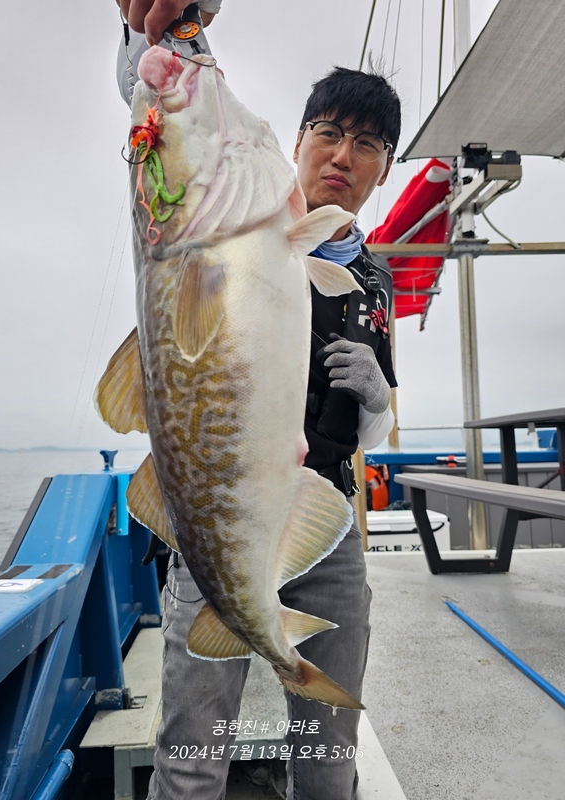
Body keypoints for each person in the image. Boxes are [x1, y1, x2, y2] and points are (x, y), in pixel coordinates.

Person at [145, 66, 401, 800]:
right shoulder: (241, 227)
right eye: (328, 133)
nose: (342, 156)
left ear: (384, 167)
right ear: (297, 141)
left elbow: (375, 431)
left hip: (325, 528)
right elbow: (170, 139)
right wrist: (158, 56)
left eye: (368, 143)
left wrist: (379, 395)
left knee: (326, 758)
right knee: (192, 757)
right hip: (218, 525)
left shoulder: (375, 283)